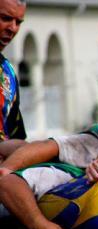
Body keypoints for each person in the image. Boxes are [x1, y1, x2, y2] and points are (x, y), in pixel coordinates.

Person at [0, 0, 27, 161]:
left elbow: (17, 134)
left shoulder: (7, 72)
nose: (13, 28)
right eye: (5, 18)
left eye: (18, 22)